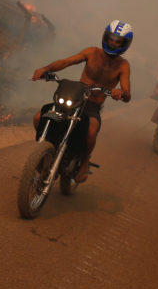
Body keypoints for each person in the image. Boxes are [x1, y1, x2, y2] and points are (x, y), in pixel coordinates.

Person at [32, 20, 133, 183]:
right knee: (38, 117)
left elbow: (127, 92)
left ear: (124, 44)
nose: (113, 43)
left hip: (92, 106)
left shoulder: (123, 66)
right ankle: (44, 152)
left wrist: (121, 92)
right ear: (105, 37)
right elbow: (66, 61)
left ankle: (85, 161)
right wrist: (46, 69)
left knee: (91, 131)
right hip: (75, 96)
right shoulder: (92, 52)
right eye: (111, 39)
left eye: (118, 41)